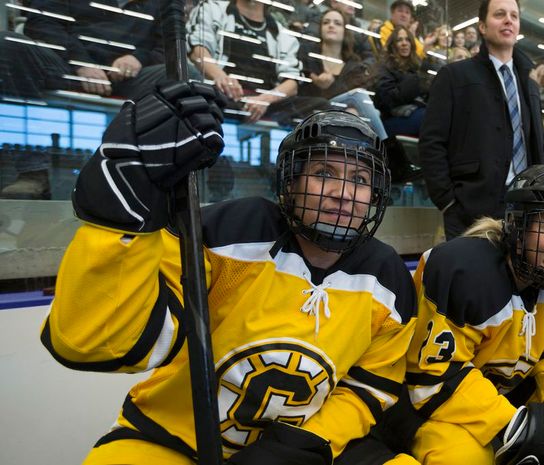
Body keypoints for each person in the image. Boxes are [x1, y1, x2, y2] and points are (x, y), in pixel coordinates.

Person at [42, 94, 418, 464]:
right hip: (172, 440)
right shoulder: (227, 232)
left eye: (360, 178)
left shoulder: (388, 277)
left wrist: (312, 442)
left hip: (308, 449)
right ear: (291, 182)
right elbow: (92, 343)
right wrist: (118, 223)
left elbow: (370, 388)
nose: (344, 194)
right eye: (324, 173)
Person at [405, 165, 544, 465]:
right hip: (429, 406)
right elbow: (434, 377)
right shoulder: (464, 268)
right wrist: (513, 424)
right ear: (517, 227)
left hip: (508, 397)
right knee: (464, 458)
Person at [418, 0, 544, 240]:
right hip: (471, 209)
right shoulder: (454, 76)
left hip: (525, 206)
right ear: (481, 26)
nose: (508, 20)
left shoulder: (530, 85)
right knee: (473, 277)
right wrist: (448, 202)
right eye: (499, 14)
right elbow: (431, 142)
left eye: (514, 16)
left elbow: (540, 146)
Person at [187, 0, 328, 124]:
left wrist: (265, 99)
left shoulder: (280, 32)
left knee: (321, 106)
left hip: (267, 104)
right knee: (204, 99)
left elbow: (292, 82)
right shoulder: (212, 9)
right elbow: (198, 49)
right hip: (224, 95)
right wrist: (221, 77)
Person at [0, 0, 171, 100]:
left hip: (129, 77)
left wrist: (139, 58)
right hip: (66, 65)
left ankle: (165, 159)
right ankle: (29, 156)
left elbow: (168, 45)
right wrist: (80, 62)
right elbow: (43, 24)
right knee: (8, 43)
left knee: (181, 76)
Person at [299, 9, 386, 140]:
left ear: (344, 31)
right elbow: (300, 94)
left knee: (354, 112)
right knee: (358, 96)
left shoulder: (353, 64)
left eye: (337, 23)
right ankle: (387, 150)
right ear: (320, 29)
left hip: (341, 119)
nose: (331, 25)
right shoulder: (310, 58)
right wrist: (318, 86)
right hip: (314, 114)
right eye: (326, 22)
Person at [372, 26, 429, 138]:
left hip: (416, 114)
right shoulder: (384, 67)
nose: (404, 43)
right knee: (430, 118)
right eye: (399, 40)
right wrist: (411, 82)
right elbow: (386, 101)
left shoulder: (417, 67)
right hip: (392, 119)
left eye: (407, 39)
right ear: (392, 45)